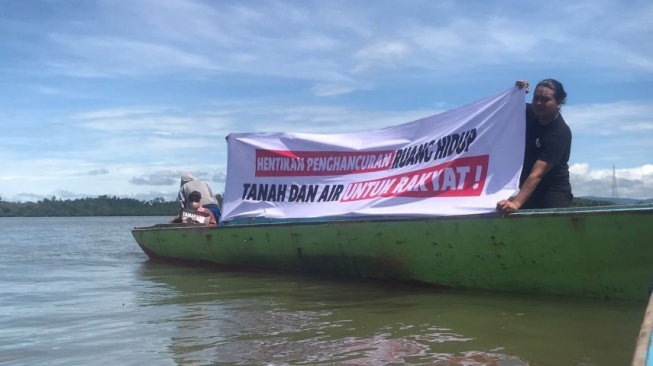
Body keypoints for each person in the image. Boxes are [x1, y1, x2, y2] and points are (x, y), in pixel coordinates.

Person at [496, 79, 573, 214]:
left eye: (545, 100)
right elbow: (508, 107)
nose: (538, 103)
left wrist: (516, 203)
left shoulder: (560, 132)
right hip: (527, 192)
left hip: (553, 195)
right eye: (536, 98)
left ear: (558, 103)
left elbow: (537, 174)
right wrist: (517, 93)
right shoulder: (531, 113)